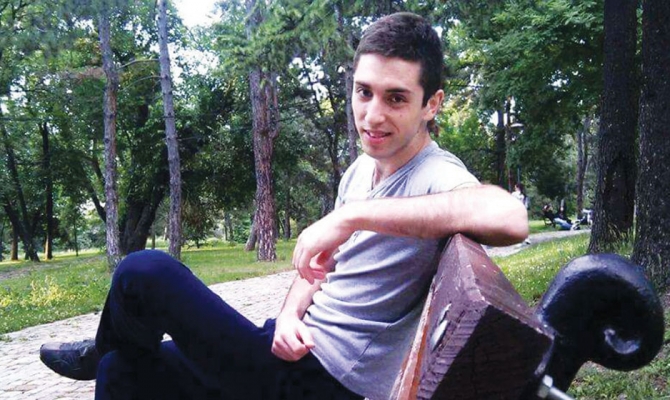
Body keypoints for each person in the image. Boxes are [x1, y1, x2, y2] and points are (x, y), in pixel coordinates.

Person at [39, 12, 528, 400]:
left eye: (396, 98)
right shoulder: (362, 169)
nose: (372, 115)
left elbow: (509, 216)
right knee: (121, 370)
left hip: (324, 382)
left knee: (144, 272)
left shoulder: (435, 173)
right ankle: (108, 348)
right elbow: (316, 269)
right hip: (288, 350)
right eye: (364, 92)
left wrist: (349, 217)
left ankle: (105, 341)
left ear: (432, 104)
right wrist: (292, 313)